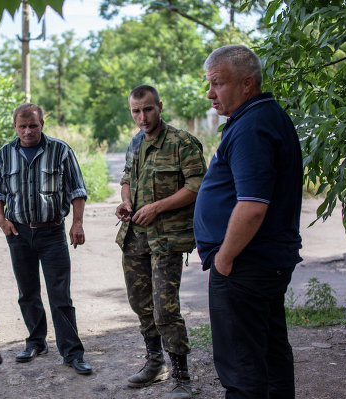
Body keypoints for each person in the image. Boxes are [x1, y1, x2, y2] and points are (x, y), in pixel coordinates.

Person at [194, 45, 303, 398]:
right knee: (269, 355)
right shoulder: (261, 118)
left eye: (217, 84)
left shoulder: (252, 127)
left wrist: (224, 258)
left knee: (241, 368)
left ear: (247, 83)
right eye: (209, 84)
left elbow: (253, 205)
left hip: (244, 265)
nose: (210, 94)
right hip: (261, 263)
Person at [115, 85, 206, 398]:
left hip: (166, 238)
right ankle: (155, 364)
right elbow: (127, 179)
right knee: (141, 304)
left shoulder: (182, 142)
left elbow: (197, 186)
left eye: (148, 109)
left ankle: (182, 376)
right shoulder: (136, 143)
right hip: (134, 237)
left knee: (165, 308)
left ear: (160, 106)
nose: (142, 117)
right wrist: (126, 202)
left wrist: (157, 207)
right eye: (136, 111)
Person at [0, 103, 92, 375]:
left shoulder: (60, 150)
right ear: (15, 127)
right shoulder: (5, 154)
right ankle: (36, 342)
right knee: (27, 292)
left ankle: (72, 353)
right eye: (22, 126)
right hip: (18, 233)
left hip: (52, 233)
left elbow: (77, 189)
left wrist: (77, 223)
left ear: (42, 124)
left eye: (33, 125)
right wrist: (2, 220)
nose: (28, 131)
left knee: (60, 295)